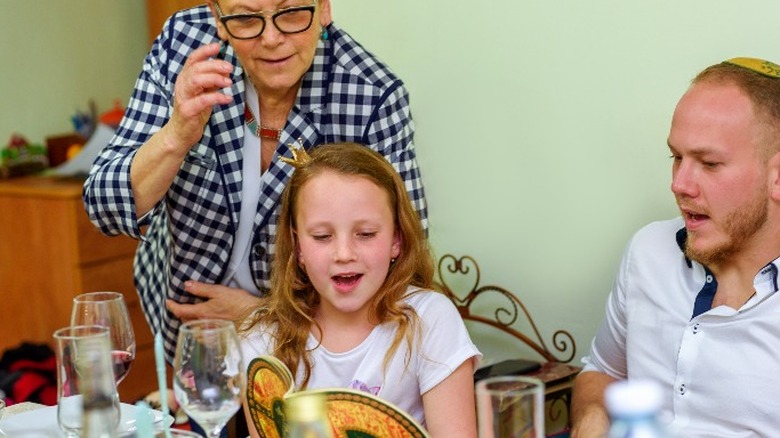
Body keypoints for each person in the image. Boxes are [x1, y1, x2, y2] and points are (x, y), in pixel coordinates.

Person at [82, 0, 427, 362]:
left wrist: (263, 316)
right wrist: (177, 134)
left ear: (324, 8)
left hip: (306, 351)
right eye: (246, 18)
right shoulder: (184, 46)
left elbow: (403, 271)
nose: (272, 38)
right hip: (185, 337)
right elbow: (104, 206)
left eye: (291, 12)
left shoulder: (371, 96)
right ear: (218, 19)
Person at [570, 57, 780, 437]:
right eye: (677, 157)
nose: (680, 184)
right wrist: (591, 421)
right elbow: (603, 371)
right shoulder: (648, 251)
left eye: (710, 163)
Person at [238, 142, 481, 437]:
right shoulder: (261, 339)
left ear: (396, 240)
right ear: (298, 246)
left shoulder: (430, 321)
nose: (344, 253)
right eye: (322, 236)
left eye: (365, 234)